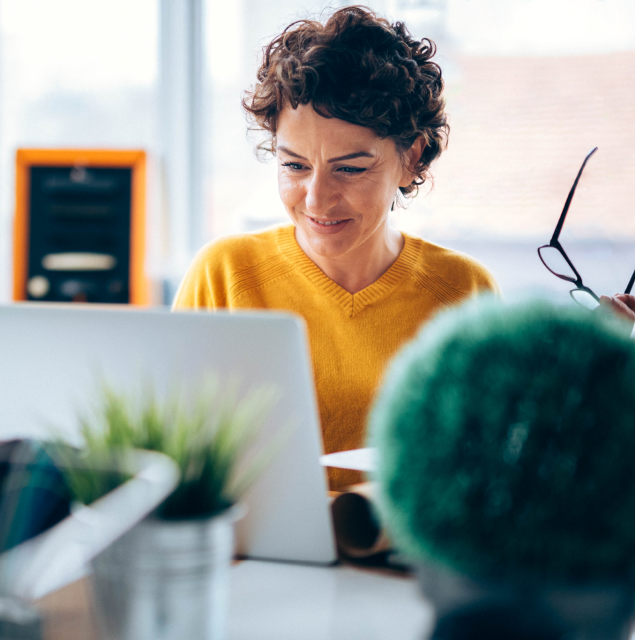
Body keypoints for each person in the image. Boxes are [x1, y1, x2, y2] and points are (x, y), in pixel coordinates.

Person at [173, 6, 633, 489]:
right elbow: (172, 457)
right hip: (256, 558)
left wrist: (588, 363)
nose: (316, 199)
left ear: (411, 158)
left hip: (404, 562)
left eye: (350, 168)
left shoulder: (462, 291)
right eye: (294, 166)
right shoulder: (224, 274)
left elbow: (502, 464)